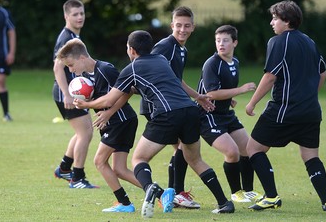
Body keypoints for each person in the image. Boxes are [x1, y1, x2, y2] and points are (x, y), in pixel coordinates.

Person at [74, 30, 234, 218]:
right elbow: (144, 86)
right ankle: (224, 203)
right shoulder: (161, 60)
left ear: (131, 50)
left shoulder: (132, 68)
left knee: (139, 159)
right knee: (195, 159)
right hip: (190, 111)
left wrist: (86, 104)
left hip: (167, 114)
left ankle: (150, 188)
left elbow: (108, 99)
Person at [245, 0, 326, 211]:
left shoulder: (278, 42)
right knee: (311, 156)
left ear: (286, 21)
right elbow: (322, 72)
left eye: (275, 18)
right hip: (311, 112)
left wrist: (251, 103)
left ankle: (271, 197)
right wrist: (309, 95)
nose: (271, 22)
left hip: (284, 110)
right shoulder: (309, 41)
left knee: (254, 148)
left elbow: (269, 77)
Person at [140, 6, 214, 209]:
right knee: (182, 148)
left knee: (181, 149)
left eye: (186, 26)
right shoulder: (165, 47)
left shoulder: (182, 49)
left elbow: (176, 80)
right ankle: (177, 193)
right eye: (178, 25)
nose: (182, 29)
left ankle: (176, 193)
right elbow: (147, 70)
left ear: (193, 27)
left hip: (171, 105)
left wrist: (197, 96)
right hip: (157, 106)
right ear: (172, 25)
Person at [55, 38, 141, 212]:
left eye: (71, 65)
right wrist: (86, 99)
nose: (71, 70)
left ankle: (125, 204)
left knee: (100, 161)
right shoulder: (86, 77)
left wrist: (108, 111)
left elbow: (128, 90)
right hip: (115, 123)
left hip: (121, 121)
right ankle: (160, 193)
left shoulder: (105, 69)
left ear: (81, 58)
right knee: (119, 169)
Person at [197, 25, 262, 203]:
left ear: (235, 42)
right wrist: (239, 90)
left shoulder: (235, 62)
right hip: (208, 115)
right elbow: (211, 94)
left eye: (225, 40)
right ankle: (236, 192)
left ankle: (248, 190)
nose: (221, 44)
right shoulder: (212, 64)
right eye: (218, 41)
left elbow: (222, 88)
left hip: (225, 113)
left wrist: (229, 99)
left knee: (248, 148)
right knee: (232, 152)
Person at [52, 0, 97, 189]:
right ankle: (77, 178)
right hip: (68, 94)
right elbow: (57, 68)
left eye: (82, 13)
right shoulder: (68, 38)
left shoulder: (72, 35)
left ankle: (64, 169)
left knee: (82, 132)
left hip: (73, 93)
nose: (80, 17)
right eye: (75, 14)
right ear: (66, 16)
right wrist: (67, 95)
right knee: (85, 132)